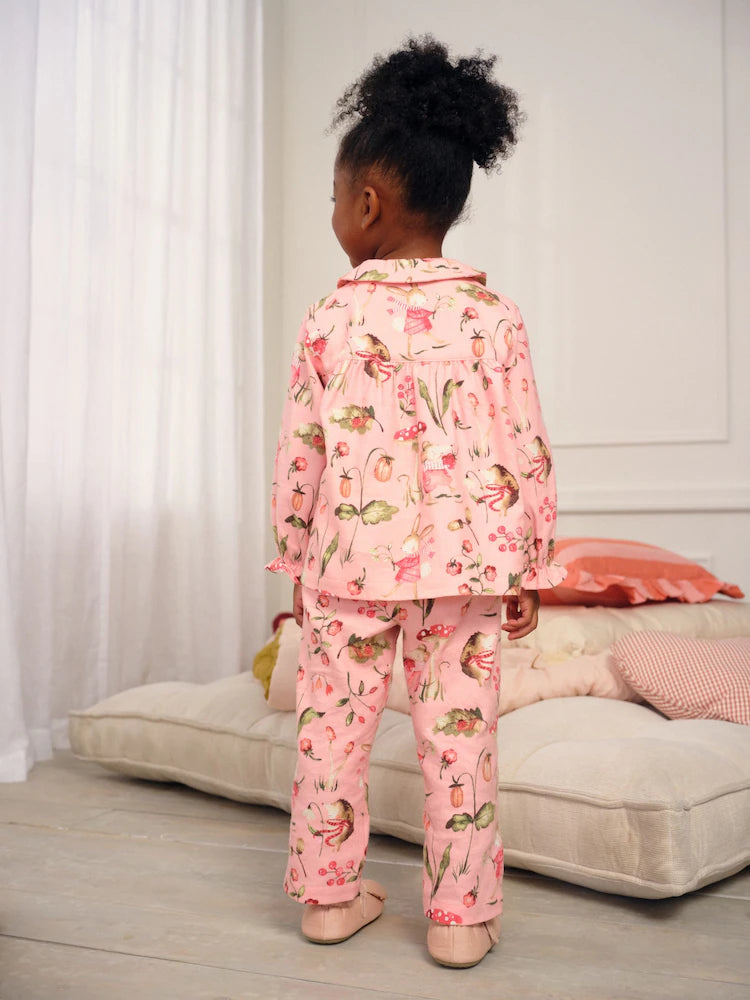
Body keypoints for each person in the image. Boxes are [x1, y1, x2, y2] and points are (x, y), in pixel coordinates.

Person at [265, 35, 567, 968]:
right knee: (460, 744)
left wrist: (295, 553)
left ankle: (327, 900)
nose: (332, 214)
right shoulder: (495, 318)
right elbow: (523, 450)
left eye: (333, 199)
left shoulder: (330, 318)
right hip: (467, 571)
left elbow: (302, 454)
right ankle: (461, 919)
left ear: (367, 204)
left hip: (348, 571)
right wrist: (528, 563)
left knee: (331, 734)